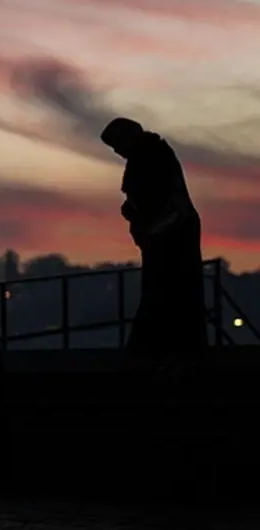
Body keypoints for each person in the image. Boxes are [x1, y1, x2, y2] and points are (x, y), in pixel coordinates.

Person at [101, 118, 206, 364]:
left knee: (164, 292)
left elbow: (155, 201)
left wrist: (136, 216)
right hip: (169, 233)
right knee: (173, 293)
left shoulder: (150, 158)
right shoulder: (154, 154)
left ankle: (156, 348)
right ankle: (170, 347)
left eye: (117, 145)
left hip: (168, 236)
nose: (117, 151)